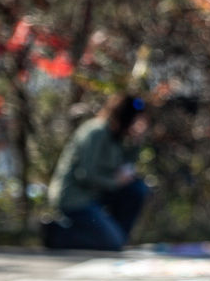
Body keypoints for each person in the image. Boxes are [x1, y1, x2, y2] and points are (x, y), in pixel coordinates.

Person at [43, 93, 151, 251]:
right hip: (75, 198)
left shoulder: (116, 137)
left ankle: (117, 237)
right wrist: (115, 182)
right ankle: (57, 233)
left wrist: (136, 142)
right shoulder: (97, 132)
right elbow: (85, 175)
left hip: (96, 196)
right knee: (113, 243)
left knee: (137, 188)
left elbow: (126, 169)